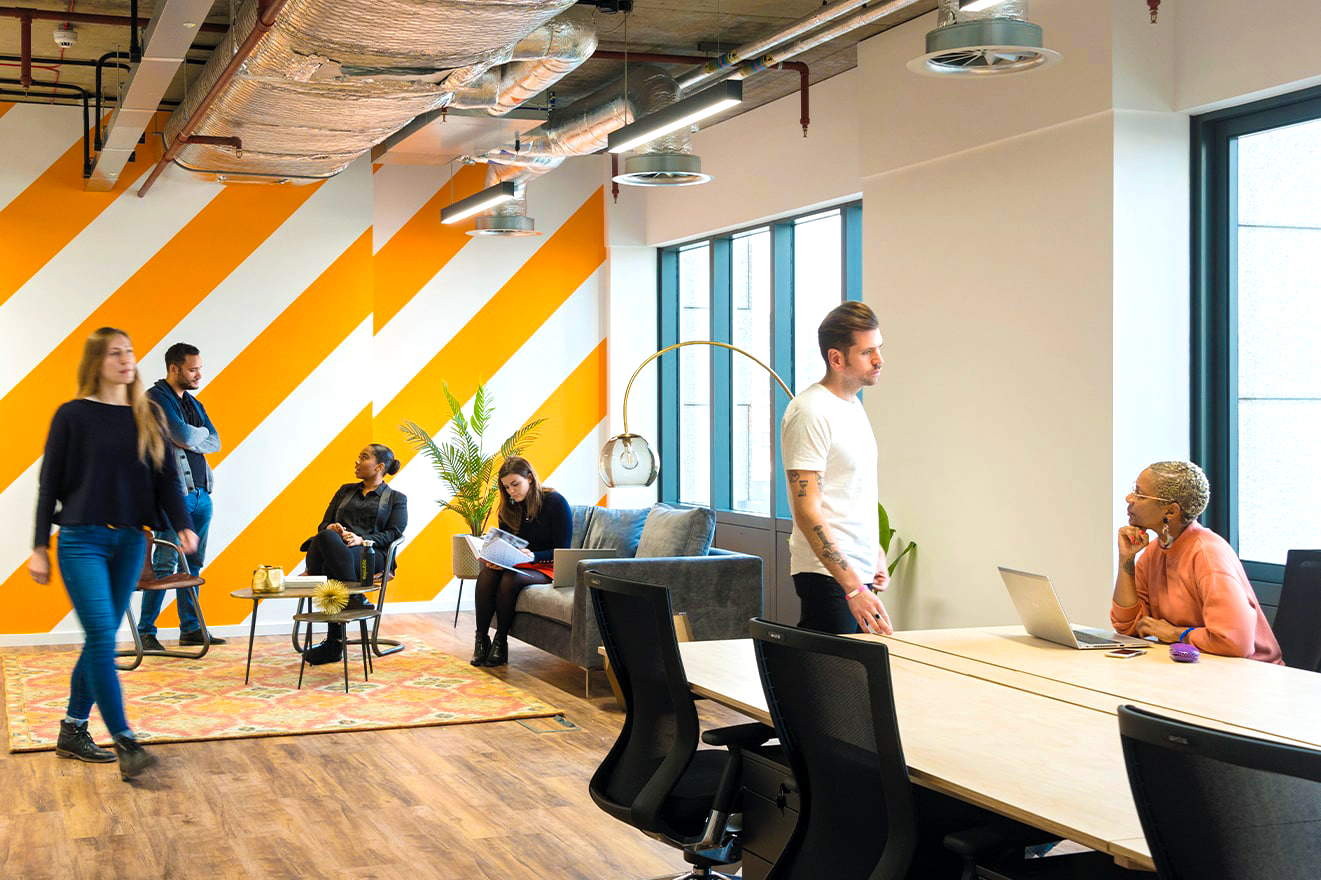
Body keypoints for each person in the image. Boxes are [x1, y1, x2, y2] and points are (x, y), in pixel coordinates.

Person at [28, 327, 199, 780]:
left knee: (97, 639)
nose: (126, 360)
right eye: (114, 354)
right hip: (81, 541)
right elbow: (50, 484)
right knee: (106, 637)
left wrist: (182, 523)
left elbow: (166, 479)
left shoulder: (148, 414)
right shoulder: (72, 415)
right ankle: (124, 739)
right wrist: (39, 547)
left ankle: (72, 728)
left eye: (130, 352)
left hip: (129, 542)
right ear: (96, 362)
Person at [780, 301, 892, 636]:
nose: (879, 360)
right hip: (828, 578)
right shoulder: (810, 412)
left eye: (879, 349)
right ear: (837, 358)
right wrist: (852, 588)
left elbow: (849, 489)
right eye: (867, 351)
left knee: (857, 684)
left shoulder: (852, 405)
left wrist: (873, 549)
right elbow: (807, 512)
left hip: (856, 575)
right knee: (831, 685)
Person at [1113, 460, 1283, 663]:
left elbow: (1236, 642)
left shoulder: (1208, 555)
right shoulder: (1155, 551)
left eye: (1139, 494)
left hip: (1250, 675)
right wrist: (1127, 559)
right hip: (1201, 668)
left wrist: (1176, 634)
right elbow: (1128, 626)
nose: (1129, 498)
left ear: (1171, 511)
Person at [138, 342, 225, 651]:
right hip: (174, 496)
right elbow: (186, 436)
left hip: (202, 494)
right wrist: (191, 436)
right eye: (193, 369)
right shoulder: (155, 399)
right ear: (174, 368)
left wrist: (191, 437)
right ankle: (146, 632)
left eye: (200, 367)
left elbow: (215, 441)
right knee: (163, 563)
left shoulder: (192, 402)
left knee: (193, 563)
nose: (199, 374)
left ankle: (190, 628)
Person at [299, 444, 407, 665]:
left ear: (379, 466)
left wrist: (362, 540)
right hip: (331, 550)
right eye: (358, 456)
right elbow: (324, 524)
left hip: (368, 555)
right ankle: (355, 598)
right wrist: (332, 529)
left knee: (331, 570)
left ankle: (334, 642)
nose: (357, 461)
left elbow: (394, 532)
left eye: (363, 457)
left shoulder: (396, 498)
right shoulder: (344, 491)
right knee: (326, 538)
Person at [470, 457, 571, 668]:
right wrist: (495, 559)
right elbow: (506, 545)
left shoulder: (555, 502)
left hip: (546, 565)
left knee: (510, 579)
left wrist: (532, 555)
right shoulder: (509, 508)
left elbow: (563, 550)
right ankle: (481, 640)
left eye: (515, 484)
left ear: (530, 479)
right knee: (487, 575)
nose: (511, 491)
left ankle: (501, 641)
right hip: (517, 563)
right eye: (506, 487)